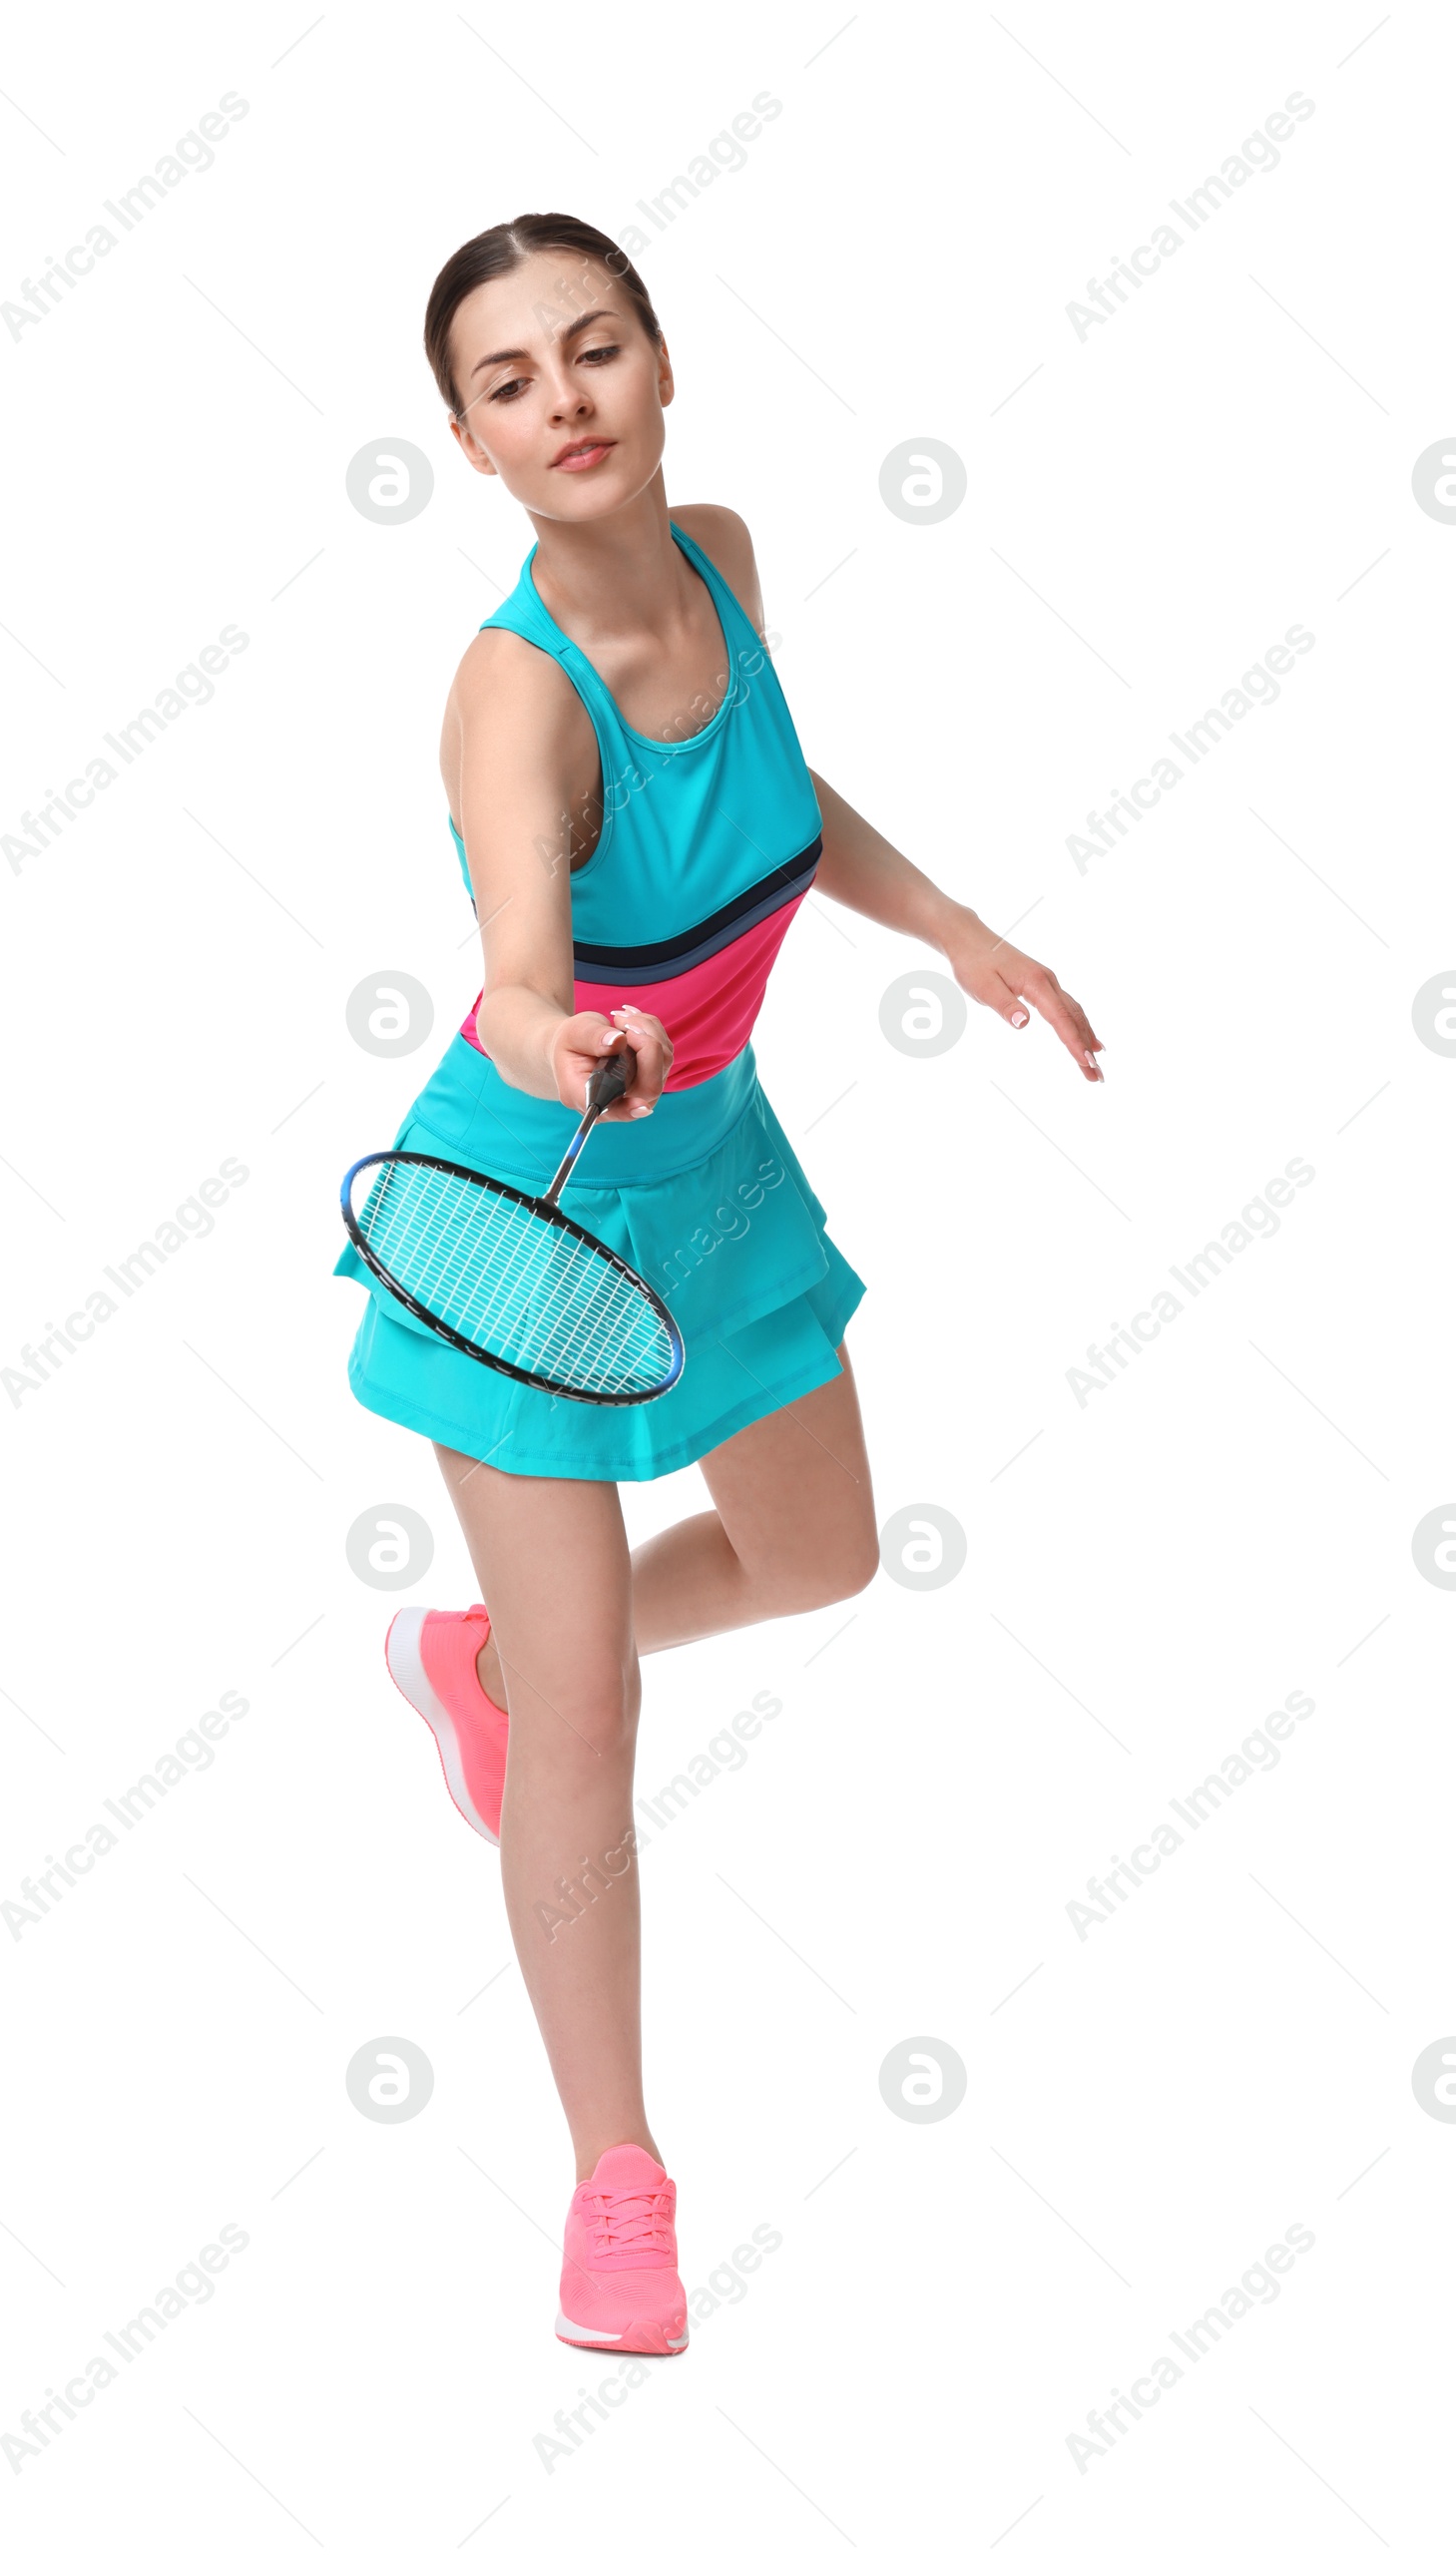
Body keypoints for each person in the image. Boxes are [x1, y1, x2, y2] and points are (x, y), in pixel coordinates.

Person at [334, 213, 1104, 2355]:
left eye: (592, 349)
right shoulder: (510, 699)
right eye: (508, 380)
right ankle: (616, 2178)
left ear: (661, 366)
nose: (562, 398)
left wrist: (945, 920)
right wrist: (552, 1028)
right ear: (471, 444)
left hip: (722, 1171)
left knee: (821, 1552)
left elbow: (772, 797)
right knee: (595, 1719)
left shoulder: (728, 559)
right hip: (533, 1198)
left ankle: (475, 1658)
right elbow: (504, 962)